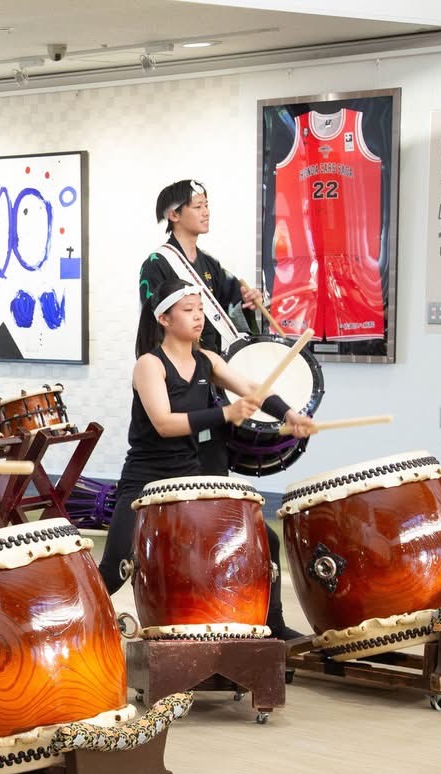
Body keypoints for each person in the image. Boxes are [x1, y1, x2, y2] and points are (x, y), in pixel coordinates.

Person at [97, 279, 315, 640]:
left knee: (265, 541)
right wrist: (226, 413)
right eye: (188, 310)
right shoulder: (150, 365)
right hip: (146, 481)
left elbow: (253, 390)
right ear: (164, 319)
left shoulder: (208, 360)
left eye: (200, 310)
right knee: (117, 565)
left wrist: (290, 414)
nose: (198, 317)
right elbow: (165, 423)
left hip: (189, 479)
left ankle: (273, 625)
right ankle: (74, 625)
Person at [138, 180, 263, 476]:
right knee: (179, 461)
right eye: (198, 206)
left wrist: (249, 301)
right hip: (177, 376)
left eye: (207, 205)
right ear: (174, 215)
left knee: (213, 463)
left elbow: (234, 312)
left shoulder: (211, 265)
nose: (206, 212)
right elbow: (156, 319)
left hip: (209, 373)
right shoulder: (156, 264)